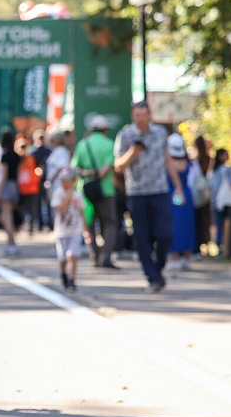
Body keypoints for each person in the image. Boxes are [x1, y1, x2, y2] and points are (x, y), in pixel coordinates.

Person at [114, 101, 182, 293]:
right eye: (137, 115)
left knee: (164, 234)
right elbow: (118, 166)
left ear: (149, 114)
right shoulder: (126, 136)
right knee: (142, 236)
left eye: (144, 114)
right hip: (137, 193)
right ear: (133, 116)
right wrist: (133, 151)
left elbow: (167, 160)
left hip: (159, 190)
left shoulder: (160, 133)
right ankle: (152, 276)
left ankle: (157, 268)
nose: (141, 118)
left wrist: (178, 187)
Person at [72, 114, 118, 269]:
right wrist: (97, 173)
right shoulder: (109, 144)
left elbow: (74, 167)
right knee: (110, 222)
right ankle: (106, 256)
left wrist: (87, 173)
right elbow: (107, 168)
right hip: (106, 190)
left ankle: (95, 255)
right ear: (105, 129)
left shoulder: (83, 144)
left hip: (86, 190)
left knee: (89, 223)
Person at [165, 133, 197, 271]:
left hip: (173, 197)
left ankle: (176, 256)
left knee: (175, 226)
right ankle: (187, 256)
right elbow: (194, 180)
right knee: (187, 225)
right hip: (187, 196)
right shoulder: (189, 163)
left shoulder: (167, 162)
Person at [51, 167, 85, 292]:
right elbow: (61, 209)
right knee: (63, 258)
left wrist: (86, 231)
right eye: (62, 180)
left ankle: (72, 280)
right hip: (61, 232)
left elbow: (81, 213)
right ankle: (63, 274)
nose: (64, 183)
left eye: (67, 180)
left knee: (72, 255)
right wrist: (69, 196)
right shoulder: (58, 194)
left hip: (75, 230)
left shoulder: (78, 195)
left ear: (73, 181)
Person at [0, 129, 20, 256]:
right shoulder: (16, 155)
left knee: (7, 216)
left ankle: (12, 243)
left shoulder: (5, 156)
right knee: (5, 216)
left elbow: (3, 176)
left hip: (7, 186)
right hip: (15, 186)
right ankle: (11, 242)